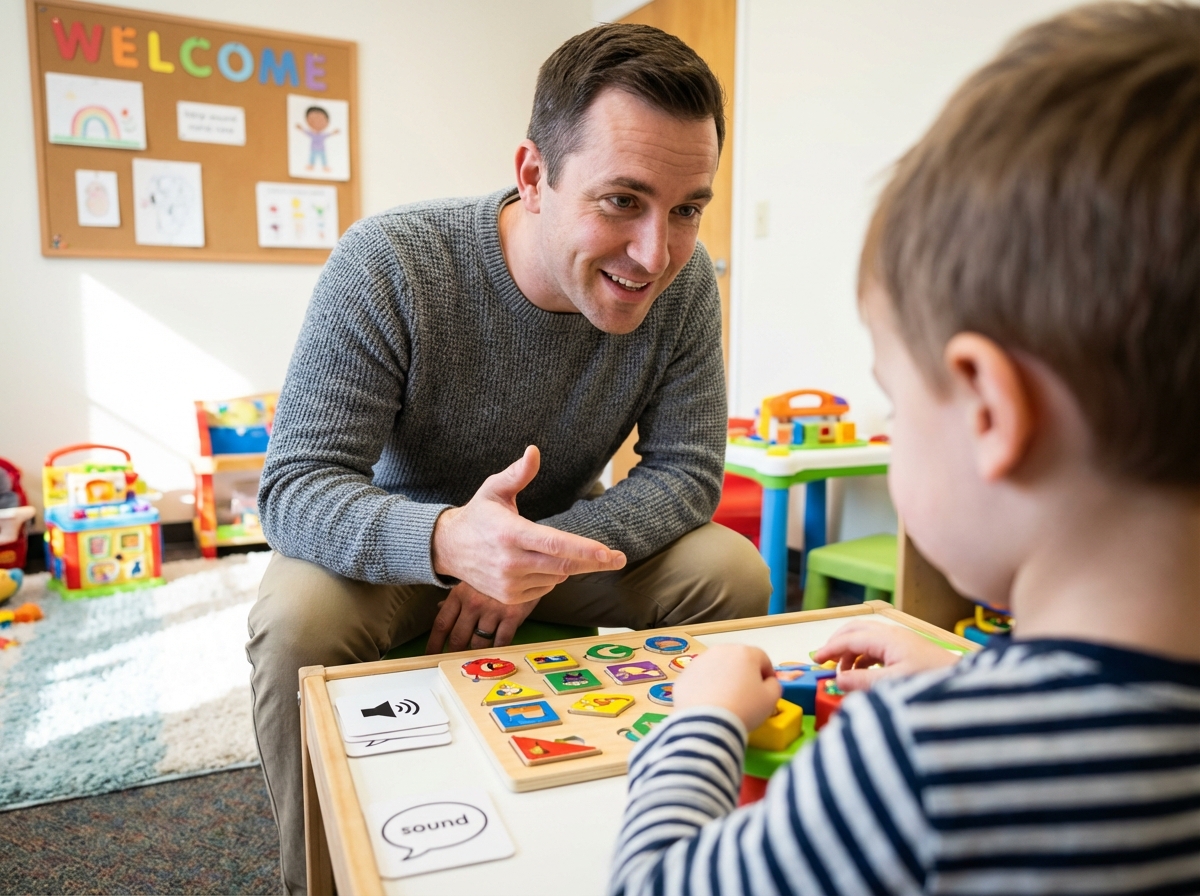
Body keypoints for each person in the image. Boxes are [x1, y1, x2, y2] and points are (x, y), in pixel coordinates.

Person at [610, 4, 1200, 894]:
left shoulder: (924, 763)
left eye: (894, 399)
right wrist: (982, 670)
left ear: (992, 412)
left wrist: (701, 724)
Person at [248, 23, 770, 895]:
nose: (657, 254)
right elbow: (295, 489)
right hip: (402, 546)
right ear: (534, 176)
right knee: (297, 620)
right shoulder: (391, 263)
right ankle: (318, 880)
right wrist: (455, 543)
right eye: (622, 201)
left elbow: (688, 472)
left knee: (732, 572)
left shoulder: (685, 286)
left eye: (687, 209)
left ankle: (689, 847)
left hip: (564, 543)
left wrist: (533, 559)